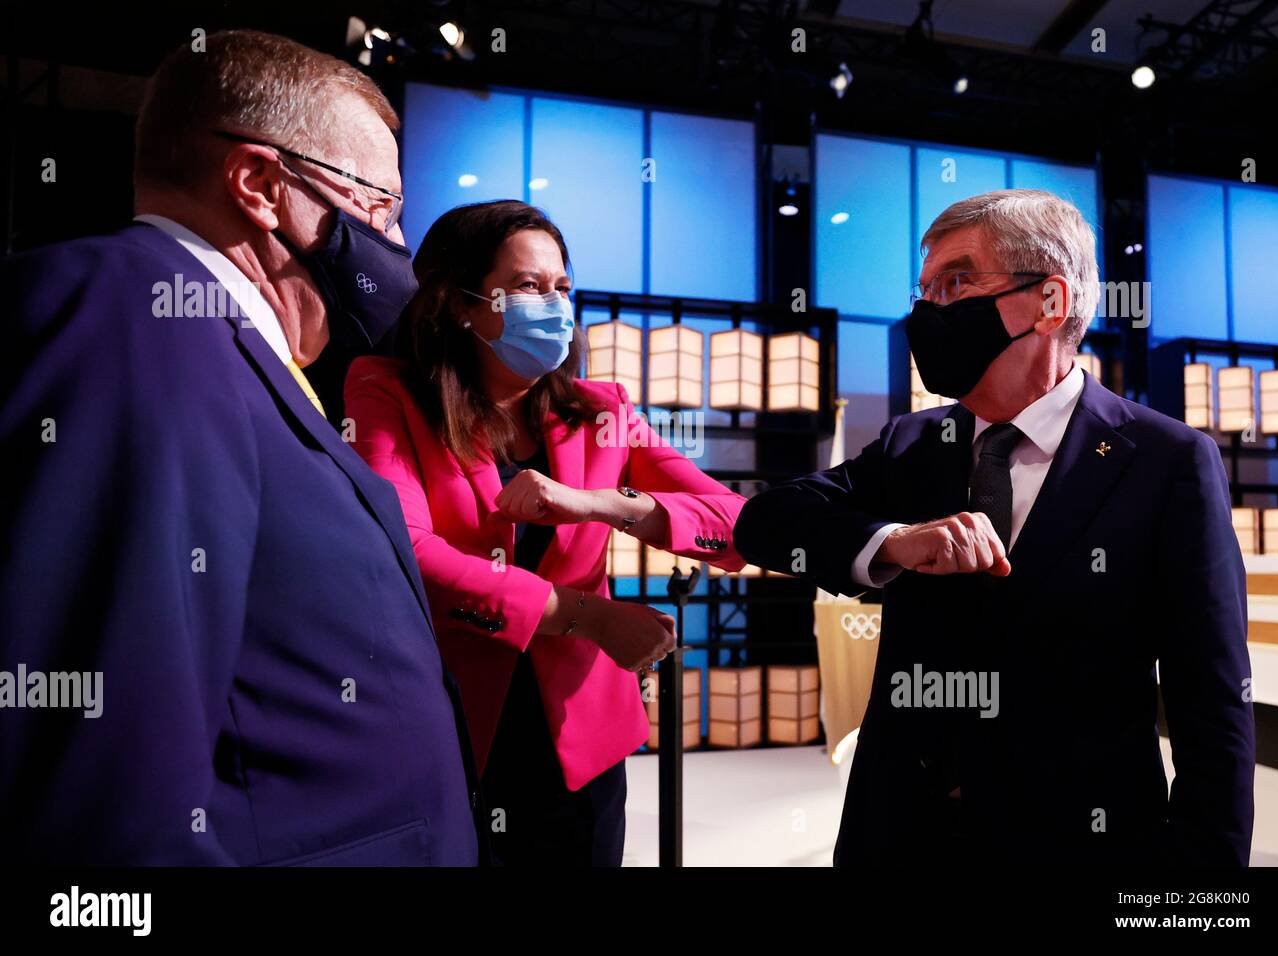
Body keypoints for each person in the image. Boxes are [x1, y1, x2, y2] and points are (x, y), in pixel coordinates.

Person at [0, 30, 483, 865]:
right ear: (260, 183)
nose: (396, 252)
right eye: (380, 210)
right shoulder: (142, 320)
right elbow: (101, 775)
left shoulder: (225, 347)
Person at [734, 189, 1254, 866]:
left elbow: (1212, 706)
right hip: (897, 838)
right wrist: (892, 541)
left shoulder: (1167, 461)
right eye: (923, 292)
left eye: (955, 283)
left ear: (1049, 303)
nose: (927, 313)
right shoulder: (911, 444)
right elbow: (765, 521)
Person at [344, 200, 747, 866]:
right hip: (449, 728)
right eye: (529, 286)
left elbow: (733, 521)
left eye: (562, 287)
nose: (555, 304)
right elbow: (405, 553)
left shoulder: (599, 410)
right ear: (459, 304)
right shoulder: (388, 393)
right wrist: (586, 617)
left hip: (579, 742)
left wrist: (598, 503)